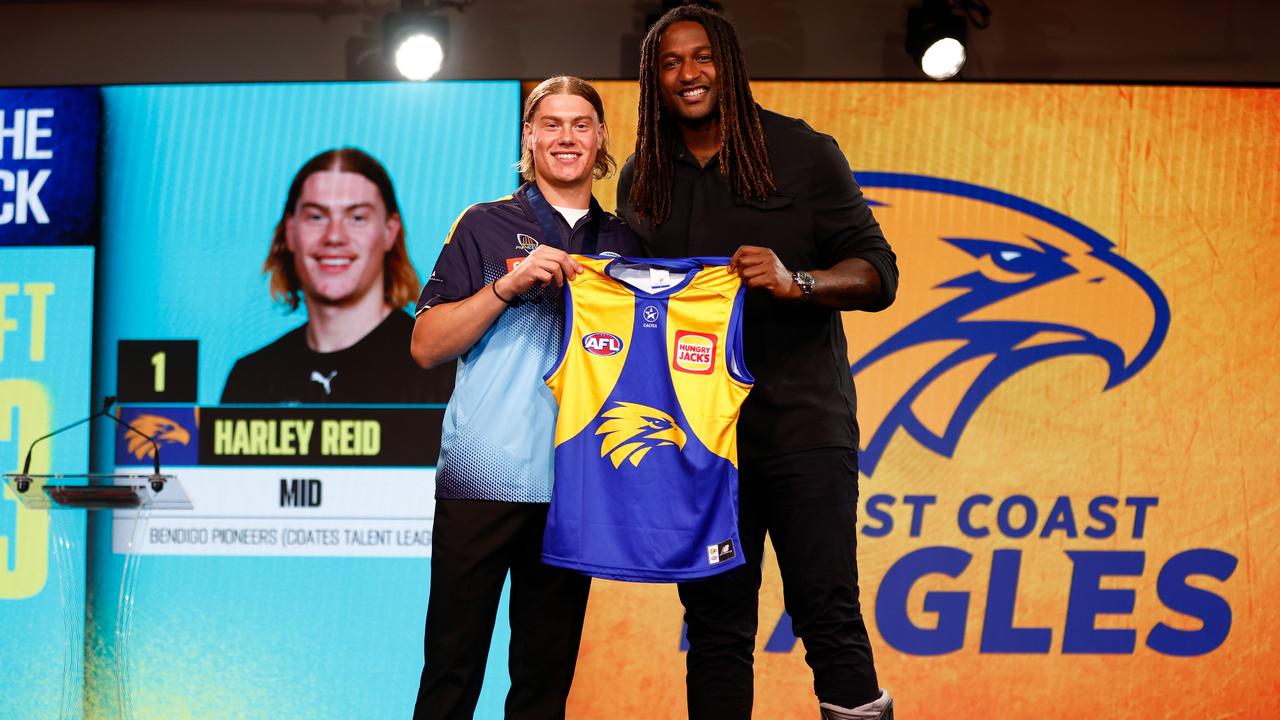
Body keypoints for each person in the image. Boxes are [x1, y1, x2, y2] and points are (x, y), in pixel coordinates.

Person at [616, 6, 899, 720]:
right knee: (714, 631)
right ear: (654, 80)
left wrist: (796, 280)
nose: (689, 73)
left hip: (802, 429)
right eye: (671, 62)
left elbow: (878, 273)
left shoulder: (801, 152)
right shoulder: (642, 178)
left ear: (729, 63)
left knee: (828, 618)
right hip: (704, 448)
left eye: (701, 56)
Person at [409, 76, 642, 720]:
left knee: (544, 685)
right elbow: (426, 345)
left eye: (581, 124)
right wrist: (507, 287)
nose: (566, 137)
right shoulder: (485, 226)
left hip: (576, 486)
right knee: (450, 674)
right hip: (483, 476)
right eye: (551, 124)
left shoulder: (627, 243)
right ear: (529, 139)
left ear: (600, 141)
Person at [221, 147, 454, 404]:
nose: (334, 236)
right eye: (316, 216)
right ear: (290, 230)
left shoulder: (438, 368)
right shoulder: (251, 378)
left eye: (356, 217)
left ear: (390, 230)